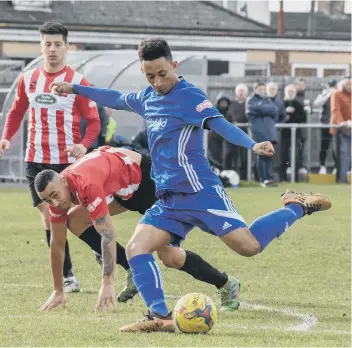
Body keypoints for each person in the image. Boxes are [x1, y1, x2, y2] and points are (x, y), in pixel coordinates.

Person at [49, 37, 331, 332]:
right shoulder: (148, 98)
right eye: (150, 76)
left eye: (162, 73)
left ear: (174, 65)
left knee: (249, 247)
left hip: (201, 192)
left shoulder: (189, 96)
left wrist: (252, 144)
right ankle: (160, 316)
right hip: (168, 200)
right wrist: (76, 89)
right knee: (136, 249)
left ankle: (297, 206)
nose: (157, 81)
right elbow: (115, 98)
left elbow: (220, 124)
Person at [35, 146, 240, 311]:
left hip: (149, 182)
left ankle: (225, 283)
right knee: (75, 220)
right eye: (47, 200)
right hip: (124, 192)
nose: (54, 203)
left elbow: (106, 232)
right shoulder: (59, 196)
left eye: (55, 195)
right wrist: (58, 289)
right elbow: (57, 244)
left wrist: (107, 282)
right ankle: (131, 268)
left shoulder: (85, 182)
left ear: (62, 180)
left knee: (170, 257)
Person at [0, 22, 101, 292]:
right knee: (49, 216)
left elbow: (93, 121)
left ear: (66, 47)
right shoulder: (28, 79)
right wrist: (6, 137)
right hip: (35, 160)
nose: (52, 49)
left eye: (57, 44)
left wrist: (84, 145)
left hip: (67, 162)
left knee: (77, 215)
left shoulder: (77, 82)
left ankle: (100, 247)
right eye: (47, 44)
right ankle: (68, 276)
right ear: (41, 45)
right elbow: (16, 111)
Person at [246, 82, 278, 187]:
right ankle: (262, 179)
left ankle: (269, 178)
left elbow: (275, 110)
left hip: (270, 133)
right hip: (259, 133)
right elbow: (252, 110)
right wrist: (266, 109)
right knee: (261, 156)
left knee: (269, 156)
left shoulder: (268, 100)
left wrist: (263, 109)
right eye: (260, 89)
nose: (262, 91)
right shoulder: (251, 100)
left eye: (263, 89)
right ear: (255, 90)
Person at [280, 84, 307, 182]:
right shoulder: (281, 103)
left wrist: (292, 116)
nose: (290, 93)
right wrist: (286, 113)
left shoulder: (299, 104)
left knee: (295, 156)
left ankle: (294, 179)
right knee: (283, 155)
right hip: (283, 134)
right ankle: (282, 178)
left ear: (295, 93)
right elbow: (278, 117)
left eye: (292, 91)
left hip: (296, 135)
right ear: (285, 92)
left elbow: (303, 117)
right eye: (289, 91)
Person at [330, 77, 351, 183]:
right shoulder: (336, 94)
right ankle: (341, 179)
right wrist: (342, 122)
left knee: (349, 155)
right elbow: (335, 110)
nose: (349, 87)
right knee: (342, 154)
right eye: (347, 84)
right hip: (340, 129)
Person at [313, 80, 337, 175]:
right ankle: (322, 166)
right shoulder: (323, 95)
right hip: (325, 125)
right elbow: (317, 103)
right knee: (324, 146)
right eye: (330, 86)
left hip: (336, 125)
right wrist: (328, 95)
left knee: (337, 147)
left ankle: (337, 167)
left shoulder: (338, 95)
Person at [225, 84, 249, 180]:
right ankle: (228, 178)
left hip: (245, 134)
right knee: (230, 155)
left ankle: (244, 179)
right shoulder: (231, 104)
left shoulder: (249, 103)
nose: (241, 93)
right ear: (236, 92)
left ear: (246, 92)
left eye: (243, 91)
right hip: (232, 134)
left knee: (244, 157)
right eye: (239, 91)